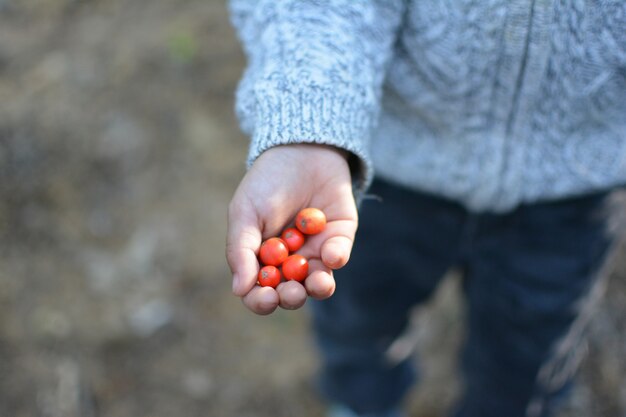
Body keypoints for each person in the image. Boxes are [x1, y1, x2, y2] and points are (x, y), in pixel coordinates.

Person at [225, 1, 625, 416]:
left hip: (573, 198)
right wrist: (310, 126)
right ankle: (361, 403)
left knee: (527, 363)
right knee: (359, 323)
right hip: (389, 175)